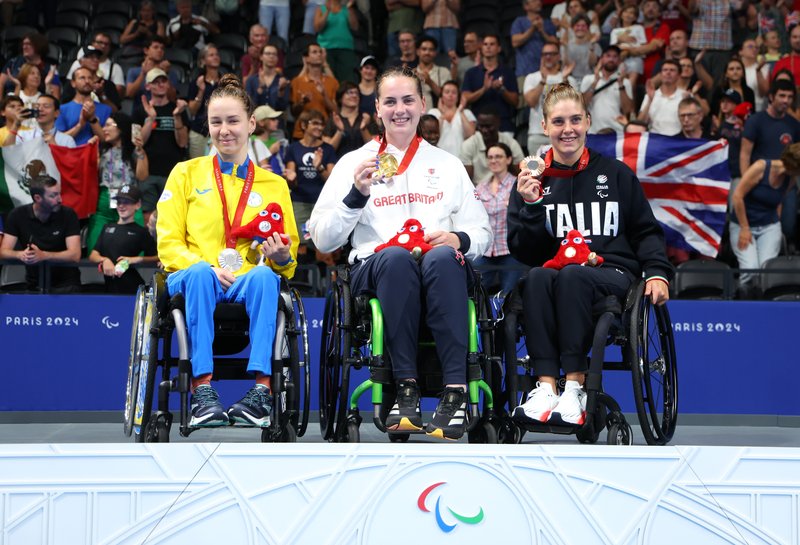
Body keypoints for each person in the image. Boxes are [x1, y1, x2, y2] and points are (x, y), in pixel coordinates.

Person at [308, 66, 492, 440]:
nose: (400, 109)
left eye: (408, 99)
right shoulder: (353, 163)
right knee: (395, 258)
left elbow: (483, 232)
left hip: (439, 267)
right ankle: (404, 388)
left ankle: (455, 392)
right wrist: (355, 195)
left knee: (441, 258)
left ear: (423, 104)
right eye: (390, 101)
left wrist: (459, 240)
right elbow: (322, 239)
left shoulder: (448, 165)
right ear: (377, 108)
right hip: (378, 271)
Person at [508, 83, 672, 427]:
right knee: (537, 276)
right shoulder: (531, 179)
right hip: (555, 275)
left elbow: (646, 231)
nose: (567, 129)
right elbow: (524, 251)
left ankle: (575, 385)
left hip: (611, 273)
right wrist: (534, 206)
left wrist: (656, 271)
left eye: (574, 120)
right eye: (558, 122)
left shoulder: (615, 173)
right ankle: (547, 386)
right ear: (544, 126)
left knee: (572, 275)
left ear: (587, 121)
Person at [156, 73, 299, 428]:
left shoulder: (274, 184)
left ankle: (262, 392)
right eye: (216, 122)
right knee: (203, 274)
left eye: (233, 120)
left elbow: (288, 253)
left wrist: (282, 258)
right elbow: (168, 241)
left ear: (251, 123)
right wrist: (202, 265)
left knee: (267, 276)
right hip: (192, 277)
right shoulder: (185, 173)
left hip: (245, 279)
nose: (225, 130)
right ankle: (202, 390)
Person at [730, 143, 800, 296]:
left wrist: (776, 225)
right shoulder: (761, 167)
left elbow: (778, 201)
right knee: (750, 269)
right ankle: (743, 303)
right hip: (743, 223)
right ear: (794, 165)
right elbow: (737, 196)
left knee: (766, 269)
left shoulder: (791, 178)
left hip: (769, 225)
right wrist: (745, 228)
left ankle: (763, 306)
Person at [0, 175, 81, 293]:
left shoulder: (68, 215)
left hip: (67, 285)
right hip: (34, 284)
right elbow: (3, 252)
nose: (60, 200)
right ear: (38, 198)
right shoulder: (17, 215)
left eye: (59, 193)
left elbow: (75, 255)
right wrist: (20, 255)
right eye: (53, 195)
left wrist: (44, 255)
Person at [85, 112, 149, 252]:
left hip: (129, 198)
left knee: (137, 244)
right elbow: (89, 174)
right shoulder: (101, 149)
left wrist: (140, 150)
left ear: (120, 128)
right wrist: (90, 150)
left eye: (108, 125)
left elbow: (143, 176)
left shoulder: (133, 150)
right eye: (104, 126)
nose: (104, 129)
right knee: (95, 244)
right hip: (104, 199)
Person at [133, 69, 190, 224]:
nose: (160, 85)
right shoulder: (140, 111)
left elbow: (183, 143)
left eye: (163, 81)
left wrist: (177, 116)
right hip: (148, 172)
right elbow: (138, 142)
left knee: (172, 217)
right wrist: (150, 119)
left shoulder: (178, 110)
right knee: (147, 216)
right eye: (155, 82)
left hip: (172, 173)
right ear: (148, 86)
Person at [474, 143, 524, 296]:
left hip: (510, 250)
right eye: (490, 157)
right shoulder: (480, 187)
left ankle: (507, 321)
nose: (493, 160)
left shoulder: (519, 184)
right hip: (486, 251)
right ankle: (481, 321)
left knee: (509, 296)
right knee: (476, 292)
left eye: (498, 156)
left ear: (509, 159)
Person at [89, 183, 158, 294]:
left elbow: (157, 257)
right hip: (110, 289)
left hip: (132, 290)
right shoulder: (107, 228)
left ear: (138, 205)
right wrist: (104, 260)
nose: (121, 205)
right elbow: (93, 255)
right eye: (119, 201)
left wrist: (134, 259)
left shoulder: (141, 232)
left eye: (127, 202)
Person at [284, 109, 337, 252]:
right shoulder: (293, 149)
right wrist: (290, 178)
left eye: (321, 124)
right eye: (315, 123)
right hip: (299, 202)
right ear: (303, 125)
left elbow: (332, 181)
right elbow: (291, 180)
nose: (319, 127)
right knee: (300, 247)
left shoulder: (328, 149)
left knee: (324, 247)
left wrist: (319, 166)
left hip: (322, 203)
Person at [523, 42, 577, 155]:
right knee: (536, 171)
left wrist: (565, 80)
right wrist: (543, 80)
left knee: (563, 171)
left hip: (563, 134)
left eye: (552, 54)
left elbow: (574, 106)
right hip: (537, 134)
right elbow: (531, 102)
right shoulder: (532, 78)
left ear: (559, 56)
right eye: (545, 54)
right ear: (541, 57)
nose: (548, 57)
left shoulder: (569, 79)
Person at [461, 34, 520, 136]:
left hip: (504, 126)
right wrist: (484, 89)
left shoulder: (508, 72)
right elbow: (465, 98)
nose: (488, 47)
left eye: (492, 44)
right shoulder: (471, 73)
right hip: (478, 126)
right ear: (481, 48)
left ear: (499, 48)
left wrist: (502, 90)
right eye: (485, 44)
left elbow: (515, 101)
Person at [289, 43, 339, 140]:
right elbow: (293, 112)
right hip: (301, 134)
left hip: (325, 133)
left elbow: (336, 111)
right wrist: (303, 102)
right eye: (314, 52)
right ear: (306, 58)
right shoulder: (297, 81)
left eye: (320, 52)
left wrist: (324, 95)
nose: (319, 54)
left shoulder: (332, 82)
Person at [460, 109, 525, 184]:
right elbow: (465, 179)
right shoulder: (469, 145)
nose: (484, 130)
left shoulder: (511, 143)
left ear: (498, 123)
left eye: (488, 126)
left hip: (507, 187)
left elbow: (520, 172)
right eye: (481, 126)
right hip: (477, 190)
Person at [581, 45, 633, 134]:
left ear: (619, 61)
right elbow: (582, 105)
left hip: (617, 131)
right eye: (608, 56)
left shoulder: (625, 82)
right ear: (601, 59)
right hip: (593, 132)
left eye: (615, 56)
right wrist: (595, 83)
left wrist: (621, 84)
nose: (611, 59)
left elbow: (628, 111)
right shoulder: (588, 79)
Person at [188, 44, 227, 159]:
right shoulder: (196, 82)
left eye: (216, 55)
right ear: (203, 61)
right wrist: (200, 91)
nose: (215, 57)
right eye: (211, 55)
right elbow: (192, 111)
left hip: (221, 132)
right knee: (197, 170)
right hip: (199, 131)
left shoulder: (226, 83)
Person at [55, 67, 112, 146]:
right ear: (73, 83)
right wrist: (80, 125)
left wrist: (92, 119)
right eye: (82, 78)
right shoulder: (62, 109)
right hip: (70, 155)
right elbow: (59, 141)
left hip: (97, 156)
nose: (87, 81)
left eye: (90, 78)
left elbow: (105, 140)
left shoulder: (106, 109)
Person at [511, 0, 559, 91]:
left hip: (547, 71)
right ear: (526, 6)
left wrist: (542, 31)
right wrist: (532, 28)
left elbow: (555, 43)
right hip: (525, 71)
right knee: (525, 103)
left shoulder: (547, 23)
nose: (538, 2)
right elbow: (515, 42)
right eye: (534, 1)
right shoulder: (519, 22)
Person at [0, 32, 60, 99]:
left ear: (39, 45)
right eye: (23, 44)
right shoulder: (13, 62)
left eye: (28, 44)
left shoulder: (51, 70)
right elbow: (1, 84)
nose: (24, 47)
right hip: (10, 103)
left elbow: (55, 97)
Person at [314, 0, 360, 84]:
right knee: (327, 81)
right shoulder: (321, 8)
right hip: (326, 49)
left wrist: (349, 8)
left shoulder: (347, 9)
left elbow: (355, 27)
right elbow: (317, 28)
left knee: (347, 80)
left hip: (346, 48)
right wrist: (327, 11)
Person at [323, 81, 373, 156]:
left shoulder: (366, 119)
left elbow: (374, 148)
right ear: (340, 98)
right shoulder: (333, 120)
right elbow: (328, 151)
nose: (354, 96)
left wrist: (364, 129)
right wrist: (339, 131)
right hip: (339, 164)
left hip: (364, 164)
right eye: (350, 93)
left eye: (356, 93)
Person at [428, 80, 476, 157]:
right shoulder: (433, 112)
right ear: (441, 96)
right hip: (438, 157)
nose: (450, 95)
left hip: (461, 158)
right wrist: (442, 115)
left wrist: (460, 111)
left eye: (454, 93)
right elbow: (432, 135)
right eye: (447, 92)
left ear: (458, 97)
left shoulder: (467, 113)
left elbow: (470, 134)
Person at [637, 59, 682, 135]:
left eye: (672, 70)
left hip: (678, 139)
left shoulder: (685, 96)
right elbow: (639, 123)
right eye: (665, 70)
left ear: (678, 76)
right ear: (660, 75)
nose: (668, 72)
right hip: (655, 139)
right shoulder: (649, 96)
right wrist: (650, 101)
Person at [245, 44, 289, 112]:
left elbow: (282, 108)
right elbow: (250, 107)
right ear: (261, 57)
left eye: (274, 54)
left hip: (276, 120)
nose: (271, 56)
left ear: (277, 58)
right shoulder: (251, 80)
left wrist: (281, 92)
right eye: (268, 53)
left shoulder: (283, 81)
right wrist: (261, 88)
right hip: (257, 120)